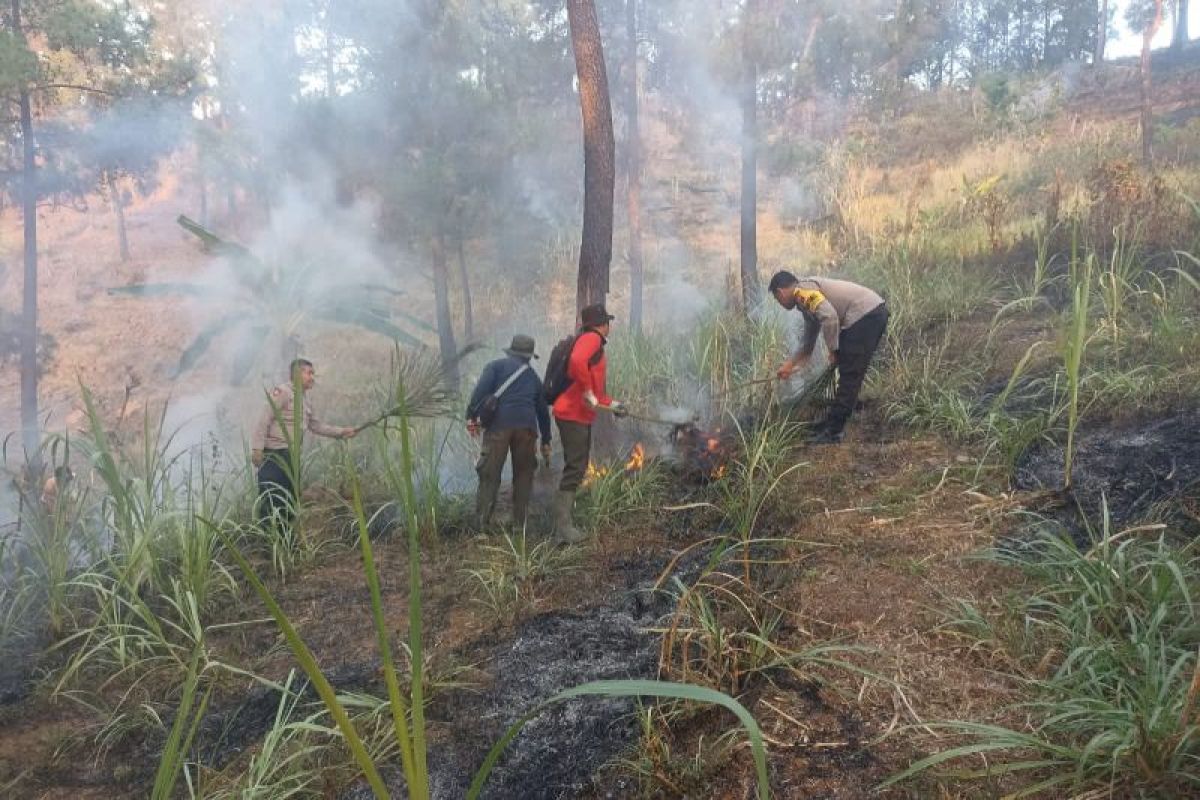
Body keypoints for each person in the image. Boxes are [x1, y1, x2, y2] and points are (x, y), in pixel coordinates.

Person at [768, 271, 889, 444]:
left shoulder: (802, 292)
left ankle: (833, 431)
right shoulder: (804, 298)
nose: (779, 303)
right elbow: (808, 342)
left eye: (776, 299)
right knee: (849, 372)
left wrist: (833, 350)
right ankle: (832, 423)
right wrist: (790, 364)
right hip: (868, 314)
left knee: (849, 375)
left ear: (780, 292)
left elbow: (830, 317)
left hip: (866, 315)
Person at [551, 303, 628, 543]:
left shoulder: (593, 344)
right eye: (608, 323)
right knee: (575, 467)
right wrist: (586, 391)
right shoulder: (591, 339)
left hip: (577, 414)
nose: (609, 327)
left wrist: (614, 405)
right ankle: (562, 528)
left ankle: (563, 523)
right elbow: (576, 362)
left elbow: (597, 393)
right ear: (602, 324)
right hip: (571, 414)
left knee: (578, 465)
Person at [251, 359, 356, 529]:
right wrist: (257, 448)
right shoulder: (282, 392)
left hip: (290, 456)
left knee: (289, 498)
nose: (312, 377)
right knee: (271, 499)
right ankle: (267, 545)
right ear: (297, 374)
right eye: (309, 373)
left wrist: (342, 432)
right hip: (274, 456)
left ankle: (285, 540)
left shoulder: (304, 400)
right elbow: (264, 419)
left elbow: (315, 425)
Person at [466, 334, 552, 530]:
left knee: (490, 475)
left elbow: (478, 394)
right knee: (523, 475)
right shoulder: (533, 378)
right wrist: (546, 439)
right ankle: (519, 525)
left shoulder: (495, 367)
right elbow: (543, 413)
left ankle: (482, 525)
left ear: (511, 351)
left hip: (498, 427)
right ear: (530, 356)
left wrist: (470, 416)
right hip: (527, 428)